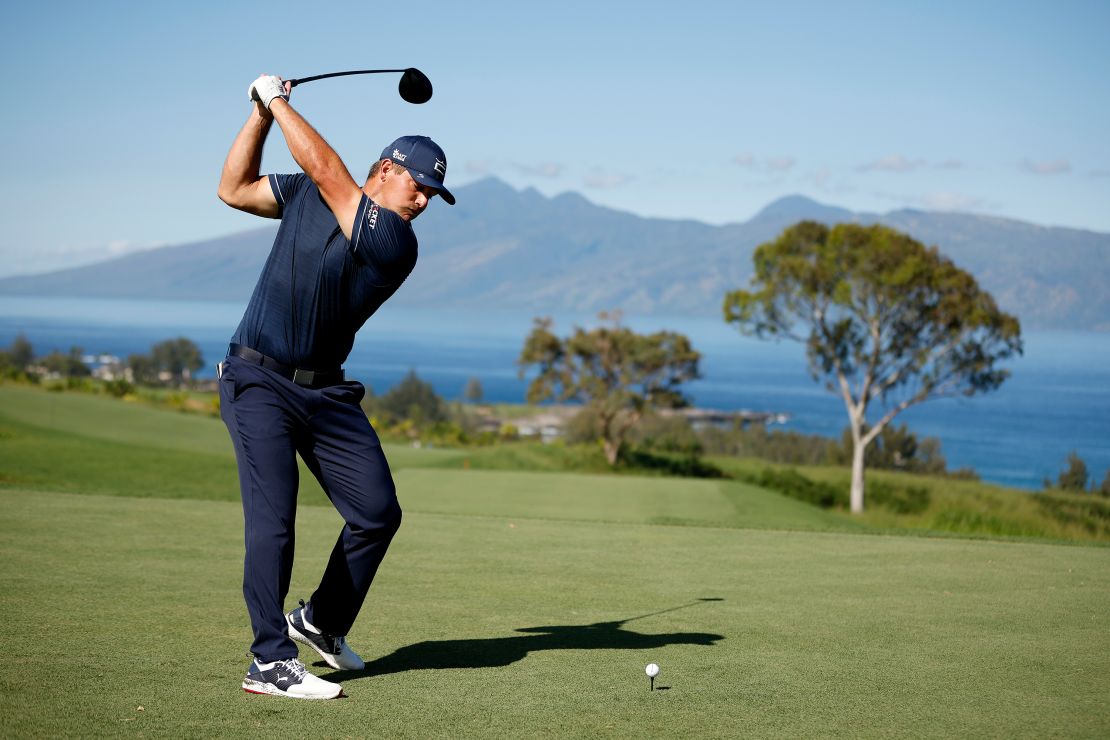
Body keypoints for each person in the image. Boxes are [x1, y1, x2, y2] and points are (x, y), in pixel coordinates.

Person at [216, 74, 454, 700]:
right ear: (386, 169)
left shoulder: (393, 240)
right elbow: (233, 188)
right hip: (258, 380)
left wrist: (278, 100)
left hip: (326, 395)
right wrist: (261, 117)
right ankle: (269, 659)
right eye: (419, 185)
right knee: (275, 522)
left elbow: (327, 171)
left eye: (433, 193)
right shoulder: (306, 194)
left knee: (377, 513)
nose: (424, 200)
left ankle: (320, 620)